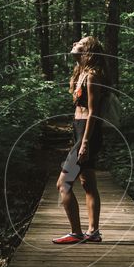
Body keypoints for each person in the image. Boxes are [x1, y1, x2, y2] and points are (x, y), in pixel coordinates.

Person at [52, 35, 109, 244]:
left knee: (63, 183)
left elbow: (93, 112)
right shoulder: (81, 73)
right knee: (87, 183)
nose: (75, 43)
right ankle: (93, 232)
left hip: (88, 131)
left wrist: (84, 142)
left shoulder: (93, 76)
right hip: (81, 130)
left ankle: (76, 233)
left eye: (81, 43)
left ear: (89, 51)